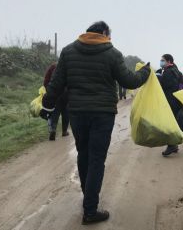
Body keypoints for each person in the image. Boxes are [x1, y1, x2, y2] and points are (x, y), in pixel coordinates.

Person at [41, 21, 150, 225]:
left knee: (84, 154)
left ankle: (88, 197)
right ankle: (90, 210)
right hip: (102, 113)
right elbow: (130, 81)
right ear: (105, 33)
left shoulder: (68, 51)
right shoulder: (112, 53)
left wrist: (46, 107)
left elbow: (56, 83)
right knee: (96, 158)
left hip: (77, 113)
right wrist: (145, 71)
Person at [156, 54, 183, 156]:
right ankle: (174, 145)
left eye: (162, 60)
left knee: (169, 124)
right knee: (174, 123)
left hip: (170, 102)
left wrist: (158, 77)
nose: (161, 62)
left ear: (169, 61)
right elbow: (182, 86)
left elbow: (165, 86)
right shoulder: (178, 72)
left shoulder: (168, 72)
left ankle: (171, 146)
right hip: (177, 101)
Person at [43, 62, 69, 141]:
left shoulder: (53, 66)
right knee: (66, 112)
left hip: (54, 93)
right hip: (66, 93)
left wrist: (48, 90)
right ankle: (64, 131)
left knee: (55, 112)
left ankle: (53, 130)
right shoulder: (68, 67)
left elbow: (46, 80)